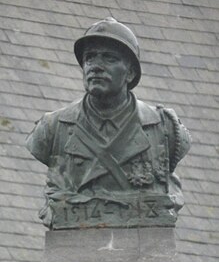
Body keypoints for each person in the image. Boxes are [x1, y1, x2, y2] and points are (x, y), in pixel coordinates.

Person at [26, 18, 191, 229]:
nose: (95, 66)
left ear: (130, 72)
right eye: (90, 58)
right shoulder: (52, 128)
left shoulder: (165, 128)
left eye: (109, 58)